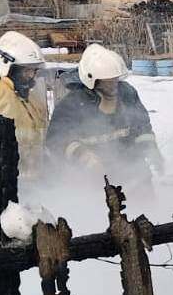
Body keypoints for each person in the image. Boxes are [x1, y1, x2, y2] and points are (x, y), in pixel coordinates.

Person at [46, 44, 163, 189]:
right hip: (92, 184)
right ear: (91, 81)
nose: (113, 86)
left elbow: (142, 126)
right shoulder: (71, 105)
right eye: (107, 82)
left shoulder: (127, 94)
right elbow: (56, 140)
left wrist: (151, 149)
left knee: (144, 208)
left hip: (134, 177)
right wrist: (83, 157)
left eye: (115, 80)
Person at [0, 31, 49, 177]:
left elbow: (40, 145)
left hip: (32, 188)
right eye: (26, 71)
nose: (32, 76)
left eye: (34, 70)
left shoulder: (33, 101)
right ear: (7, 65)